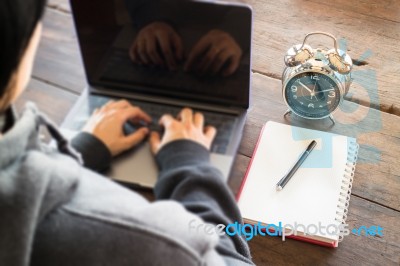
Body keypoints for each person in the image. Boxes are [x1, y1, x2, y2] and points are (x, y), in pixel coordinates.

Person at [0, 0, 253, 265]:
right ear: (25, 39)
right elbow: (230, 260)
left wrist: (82, 150)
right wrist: (188, 162)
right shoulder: (160, 243)